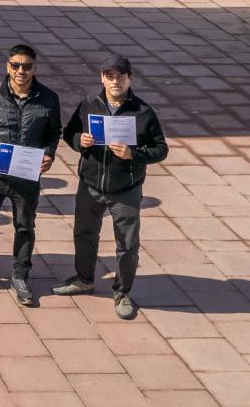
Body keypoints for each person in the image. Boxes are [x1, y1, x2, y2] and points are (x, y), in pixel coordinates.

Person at [56, 55, 169, 320]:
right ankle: (84, 279)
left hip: (125, 190)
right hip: (91, 184)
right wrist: (78, 141)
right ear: (101, 78)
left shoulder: (142, 112)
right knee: (84, 234)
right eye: (109, 76)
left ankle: (122, 292)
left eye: (120, 76)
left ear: (131, 78)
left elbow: (160, 149)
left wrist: (134, 155)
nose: (115, 81)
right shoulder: (89, 104)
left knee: (127, 245)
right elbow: (69, 132)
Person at [0, 43, 62, 307]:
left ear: (34, 68)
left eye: (27, 66)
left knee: (25, 226)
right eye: (15, 65)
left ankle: (20, 276)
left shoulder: (48, 98)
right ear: (7, 66)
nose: (21, 71)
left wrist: (49, 155)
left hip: (27, 177)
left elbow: (54, 132)